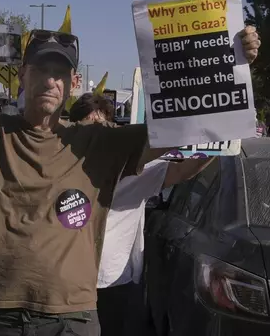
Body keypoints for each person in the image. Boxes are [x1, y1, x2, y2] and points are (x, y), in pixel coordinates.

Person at [0, 0, 260, 336]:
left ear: (73, 83)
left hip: (73, 320)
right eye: (42, 70)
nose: (51, 81)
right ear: (22, 75)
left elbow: (184, 124)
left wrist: (233, 59)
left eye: (60, 72)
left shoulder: (99, 143)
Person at [67, 95, 214, 336]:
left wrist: (218, 144)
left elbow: (182, 170)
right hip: (67, 280)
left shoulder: (138, 172)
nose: (95, 135)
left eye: (102, 127)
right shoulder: (59, 169)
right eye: (87, 127)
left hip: (112, 281)